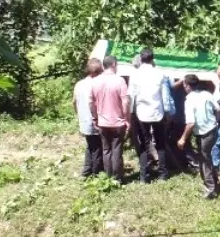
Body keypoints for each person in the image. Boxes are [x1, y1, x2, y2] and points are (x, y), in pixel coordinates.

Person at [128, 48, 174, 183]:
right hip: (157, 112)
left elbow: (131, 95)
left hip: (141, 113)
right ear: (152, 59)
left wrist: (131, 112)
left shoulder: (135, 75)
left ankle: (144, 176)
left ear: (141, 59)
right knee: (160, 143)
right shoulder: (159, 73)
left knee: (144, 143)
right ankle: (163, 174)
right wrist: (167, 111)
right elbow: (165, 95)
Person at [178, 74, 220, 199]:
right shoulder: (207, 94)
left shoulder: (189, 100)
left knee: (204, 160)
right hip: (212, 130)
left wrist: (182, 139)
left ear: (186, 86)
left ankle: (210, 189)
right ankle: (215, 182)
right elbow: (218, 109)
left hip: (204, 133)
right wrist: (216, 122)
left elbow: (191, 123)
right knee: (207, 157)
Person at [90, 55, 130, 184]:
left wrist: (95, 117)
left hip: (102, 122)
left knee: (106, 150)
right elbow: (125, 103)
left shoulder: (95, 81)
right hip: (117, 122)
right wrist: (127, 118)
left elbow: (91, 103)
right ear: (113, 64)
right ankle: (117, 178)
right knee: (117, 150)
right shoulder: (120, 81)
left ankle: (108, 177)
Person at [73, 58, 104, 178]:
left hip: (83, 120)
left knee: (90, 145)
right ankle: (97, 173)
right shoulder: (97, 84)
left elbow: (74, 102)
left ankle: (86, 170)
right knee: (97, 147)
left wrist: (78, 114)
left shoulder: (79, 84)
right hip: (95, 120)